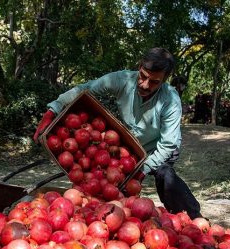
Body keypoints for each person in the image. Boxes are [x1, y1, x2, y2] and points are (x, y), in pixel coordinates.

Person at [33, 47, 203, 219]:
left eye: (154, 82)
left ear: (164, 80)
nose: (145, 84)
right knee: (119, 188)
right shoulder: (123, 80)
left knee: (165, 175)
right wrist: (52, 111)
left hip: (159, 147)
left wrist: (142, 170)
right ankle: (118, 215)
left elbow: (168, 144)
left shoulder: (170, 100)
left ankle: (193, 218)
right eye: (143, 76)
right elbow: (85, 89)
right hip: (131, 146)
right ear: (139, 66)